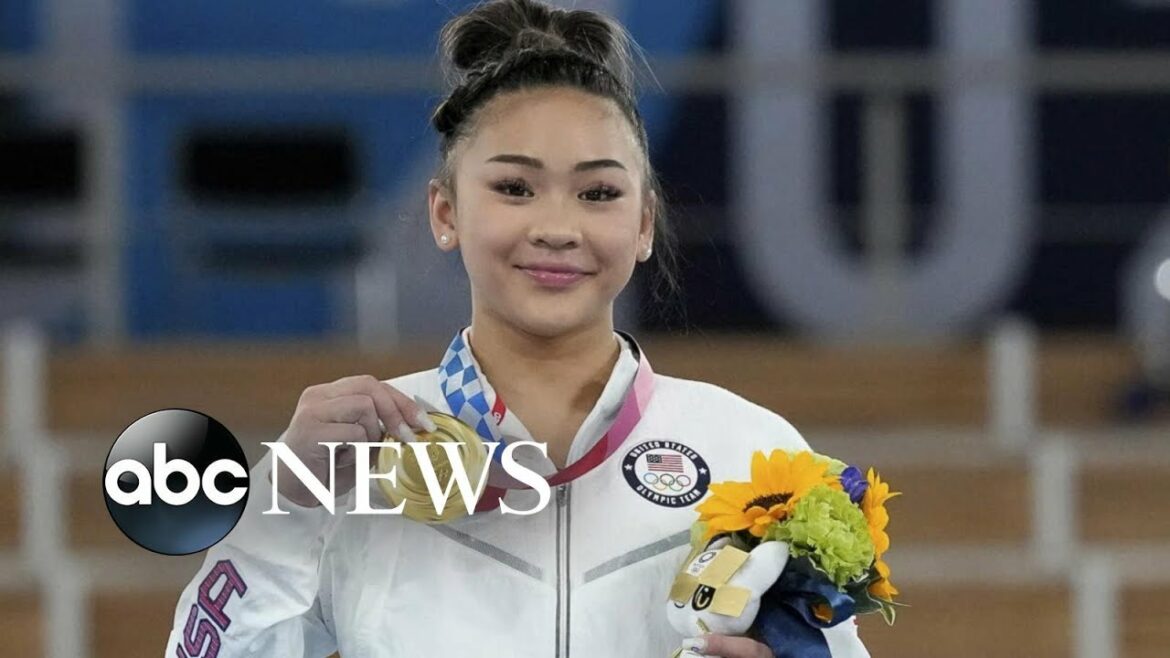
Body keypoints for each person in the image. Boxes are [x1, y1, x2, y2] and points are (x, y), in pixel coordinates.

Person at [166, 1, 871, 656]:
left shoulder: (752, 454)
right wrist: (281, 502)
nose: (558, 228)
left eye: (598, 193)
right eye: (514, 188)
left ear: (645, 222)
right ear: (445, 214)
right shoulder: (348, 463)